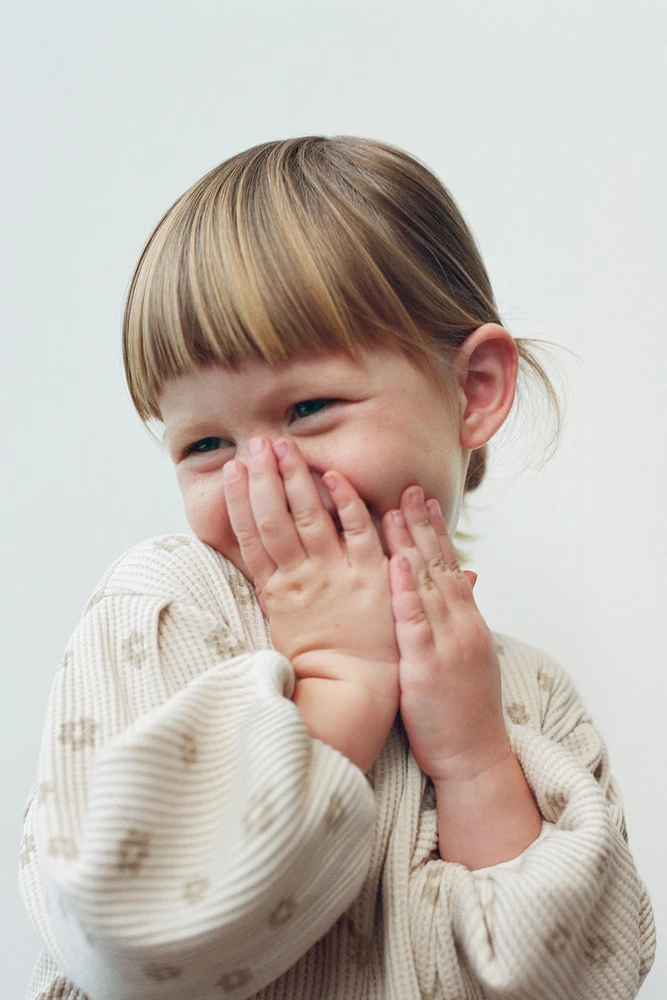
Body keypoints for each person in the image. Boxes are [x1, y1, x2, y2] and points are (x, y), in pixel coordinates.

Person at [19, 136, 655, 1000]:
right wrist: (339, 682)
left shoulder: (525, 697)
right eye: (204, 444)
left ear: (472, 392)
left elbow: (582, 981)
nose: (259, 476)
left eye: (308, 407)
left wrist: (472, 762)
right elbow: (125, 947)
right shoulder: (168, 609)